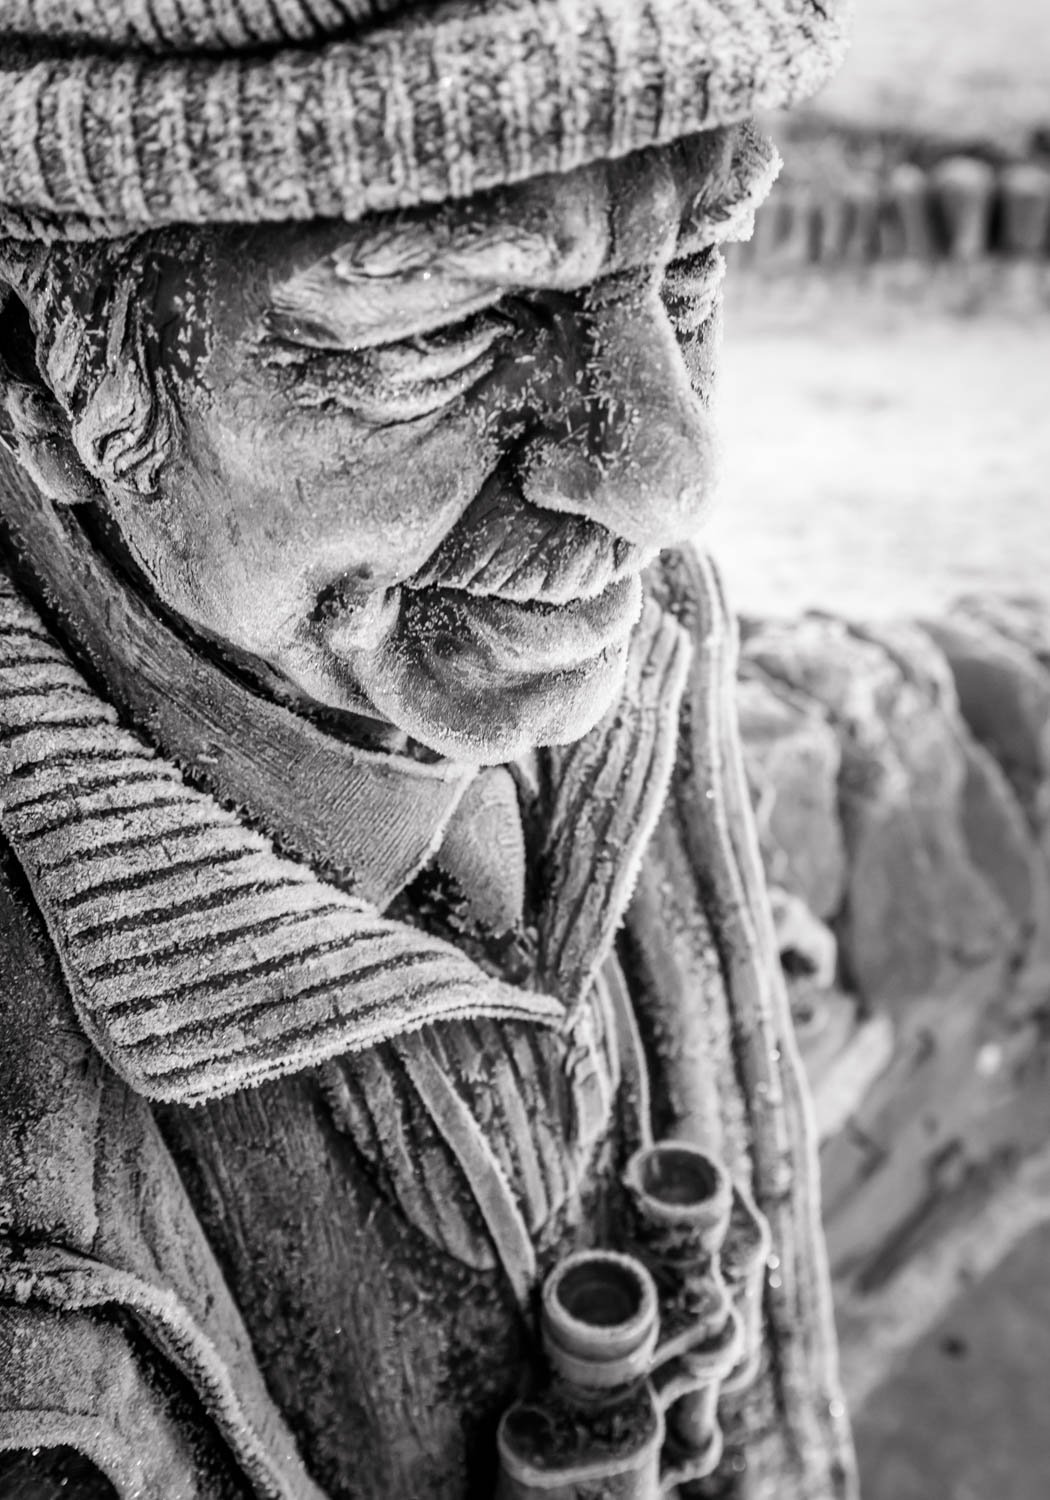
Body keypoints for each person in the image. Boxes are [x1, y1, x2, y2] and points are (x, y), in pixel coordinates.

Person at [0, 2, 855, 1495]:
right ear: (38, 370)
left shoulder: (621, 632)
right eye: (446, 325)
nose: (666, 483)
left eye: (697, 269)